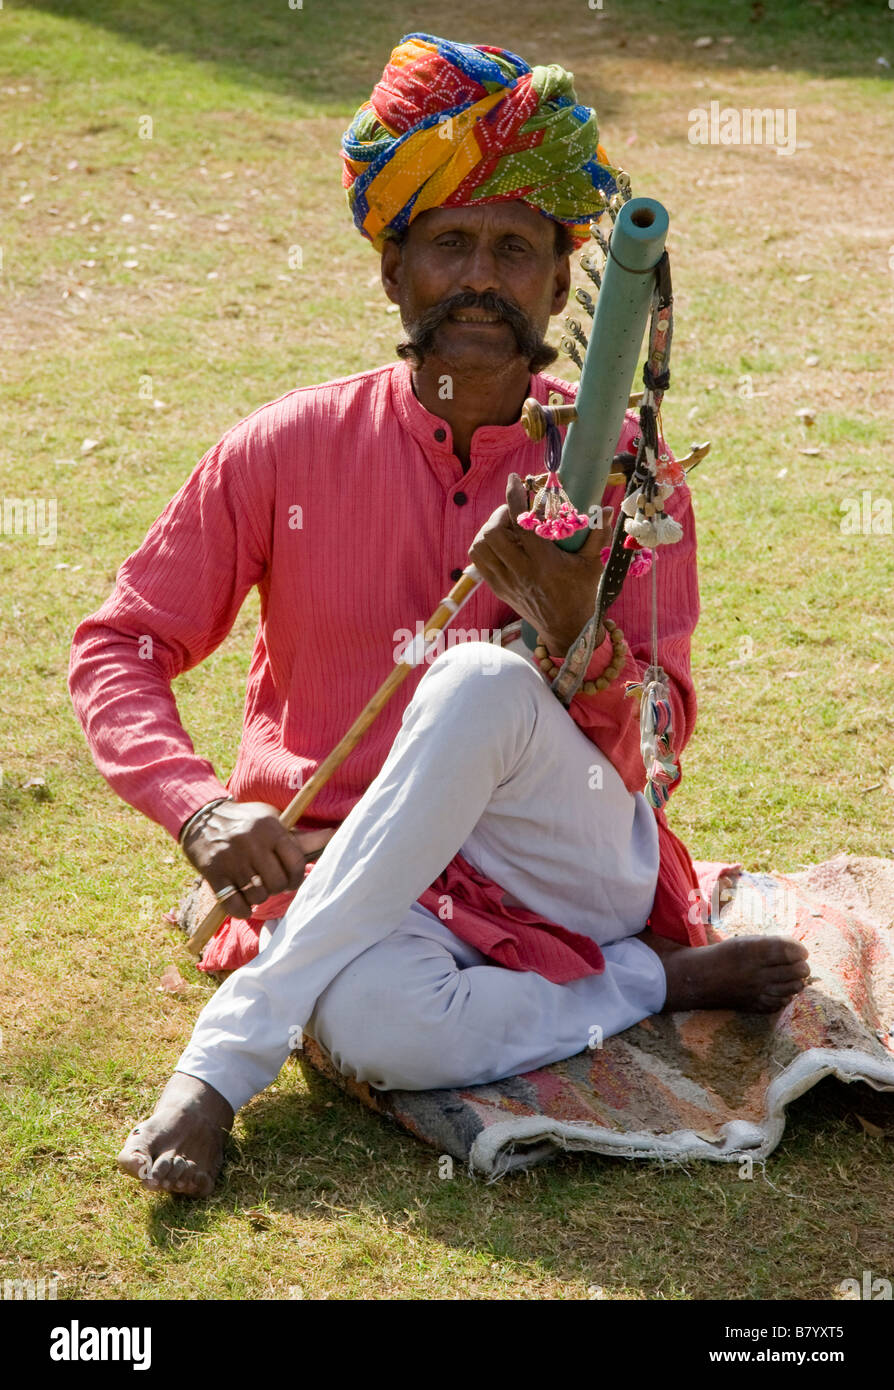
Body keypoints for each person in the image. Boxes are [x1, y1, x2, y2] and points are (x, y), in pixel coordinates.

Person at [69, 32, 809, 1197]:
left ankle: (217, 1067)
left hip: (568, 854)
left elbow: (663, 736)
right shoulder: (284, 448)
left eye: (515, 250)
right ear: (391, 269)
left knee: (476, 684)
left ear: (563, 284)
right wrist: (202, 808)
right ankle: (656, 983)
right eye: (448, 243)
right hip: (359, 872)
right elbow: (121, 644)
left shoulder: (619, 469)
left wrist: (580, 641)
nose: (480, 277)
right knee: (379, 1029)